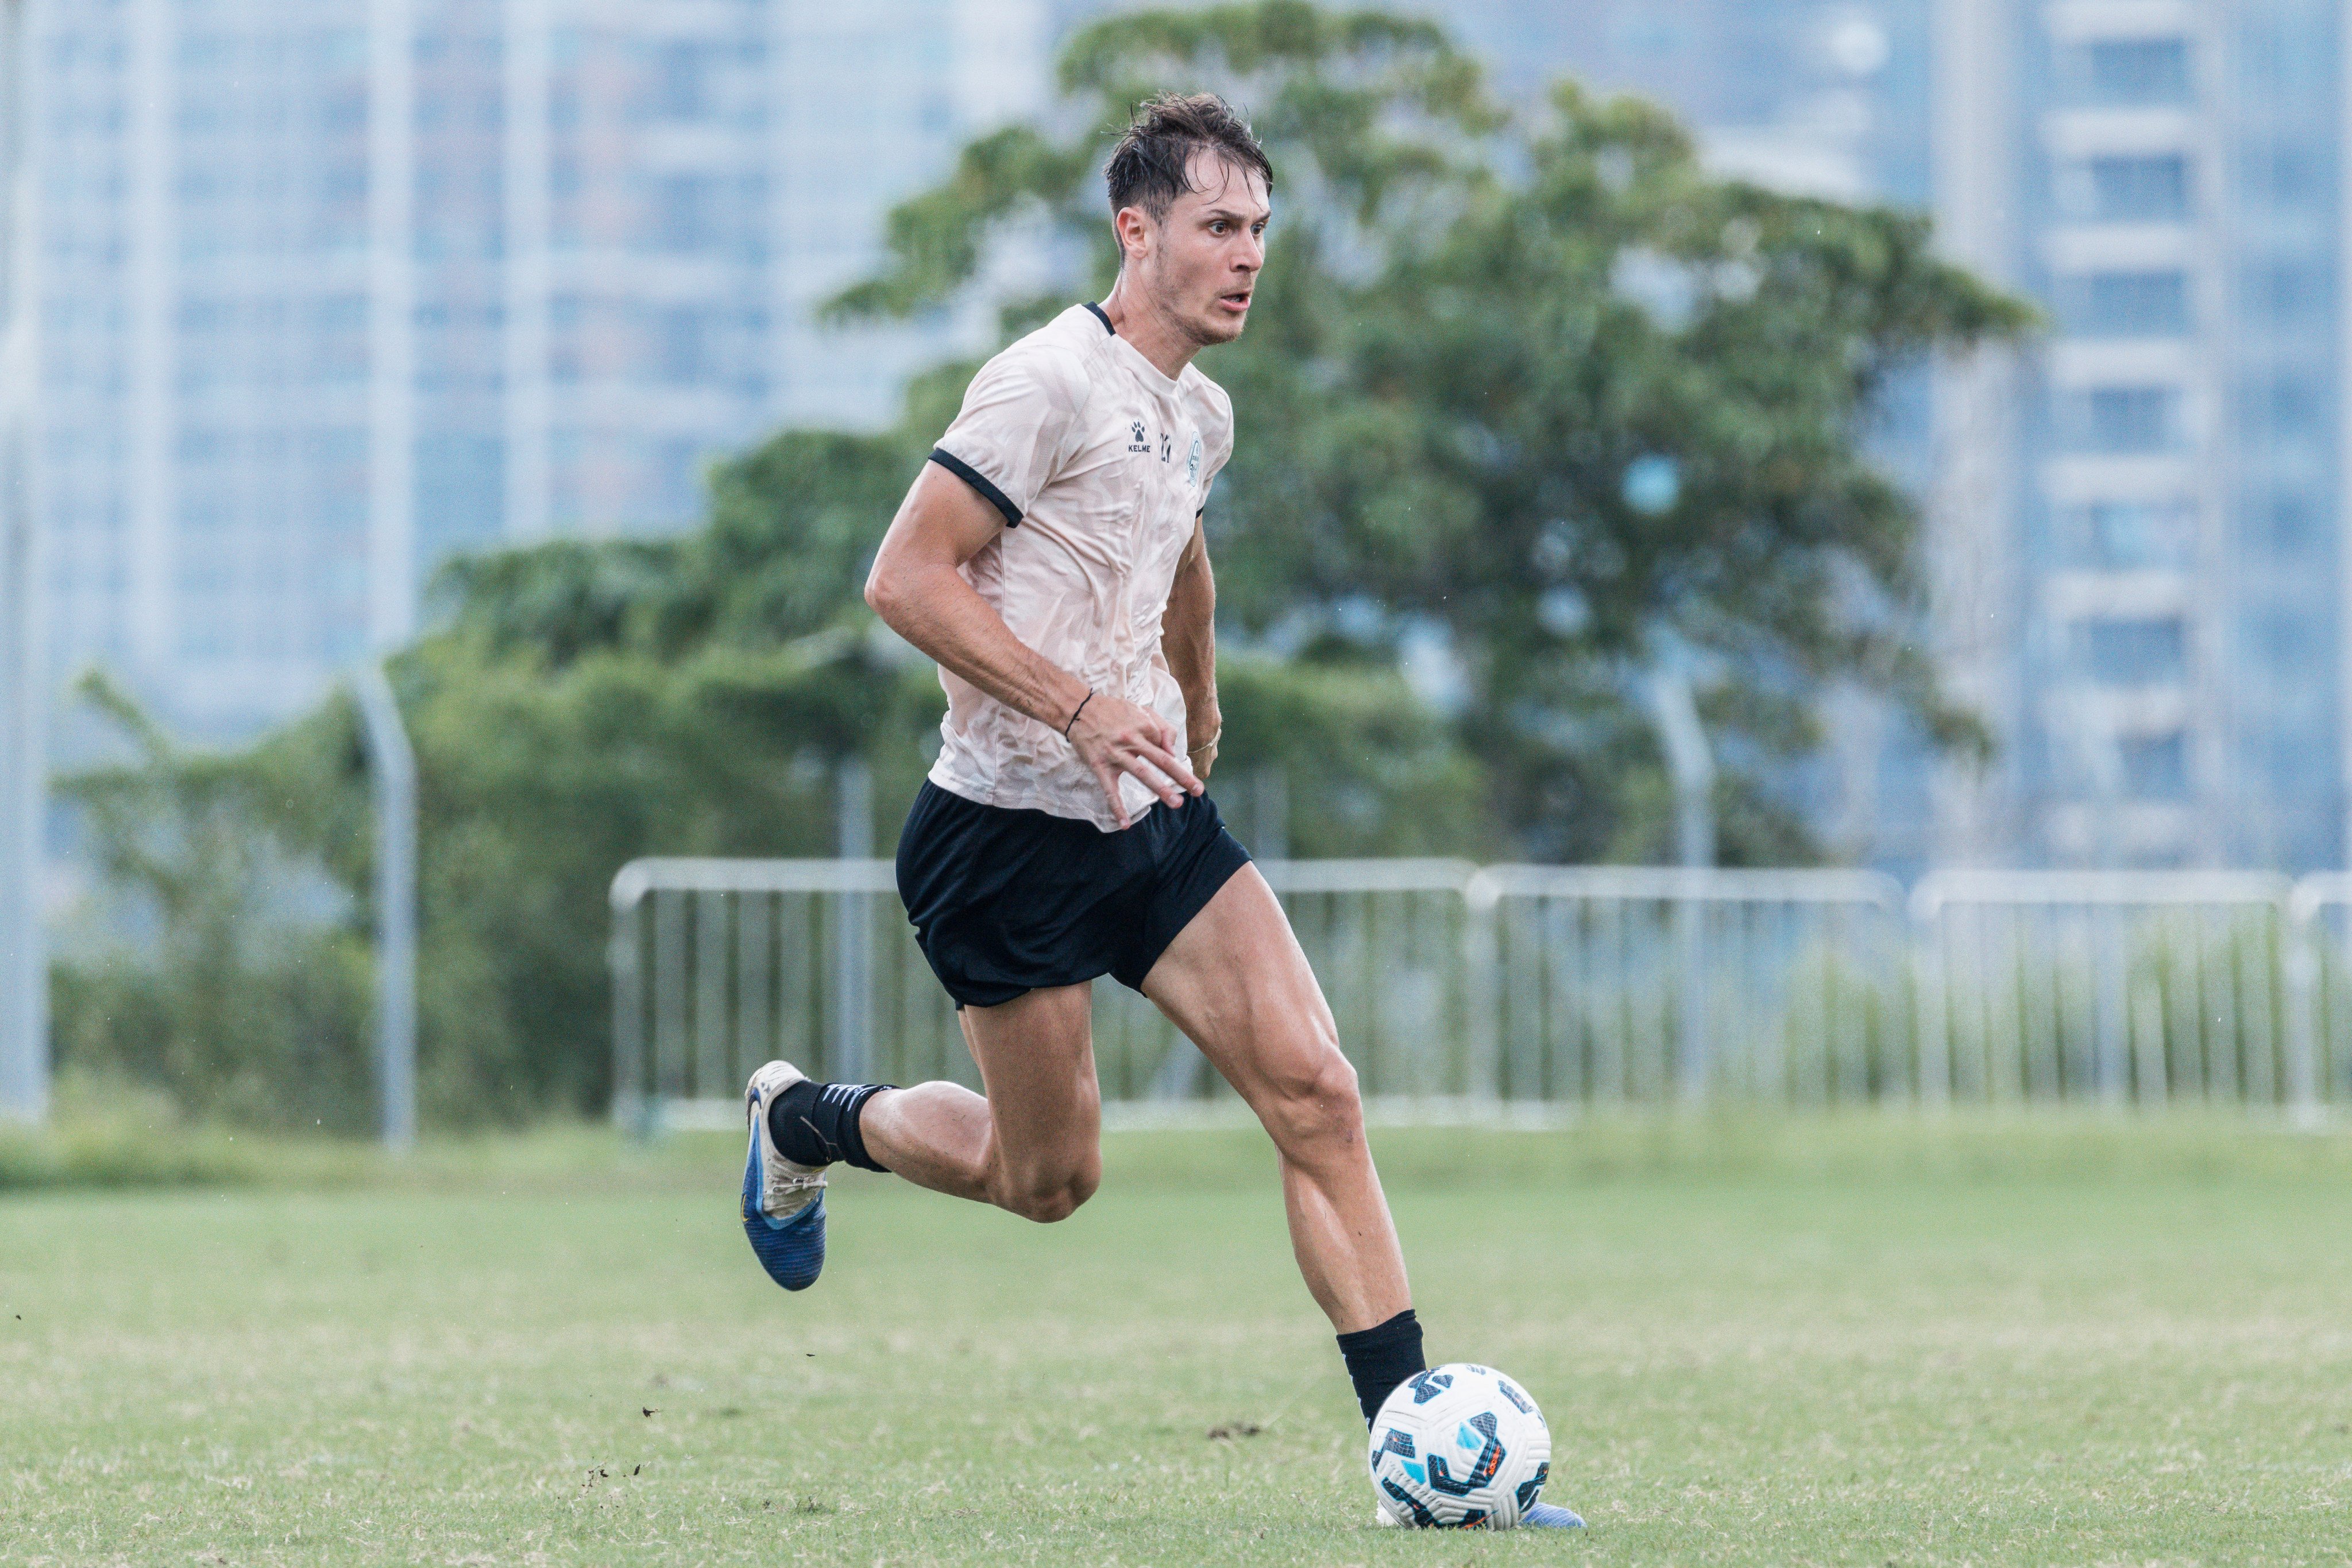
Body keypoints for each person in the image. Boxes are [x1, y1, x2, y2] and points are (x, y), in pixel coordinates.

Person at [737, 91, 1577, 1529]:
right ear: (1135, 232)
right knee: (1045, 1181)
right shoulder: (1042, 383)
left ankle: (1412, 1459)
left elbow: (1178, 552)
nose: (1246, 255)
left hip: (1153, 817)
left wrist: (1195, 701)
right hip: (1003, 838)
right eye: (1215, 226)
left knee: (1317, 1092)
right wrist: (1080, 706)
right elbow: (906, 577)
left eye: (1258, 229)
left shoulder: (1201, 410)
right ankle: (806, 1121)